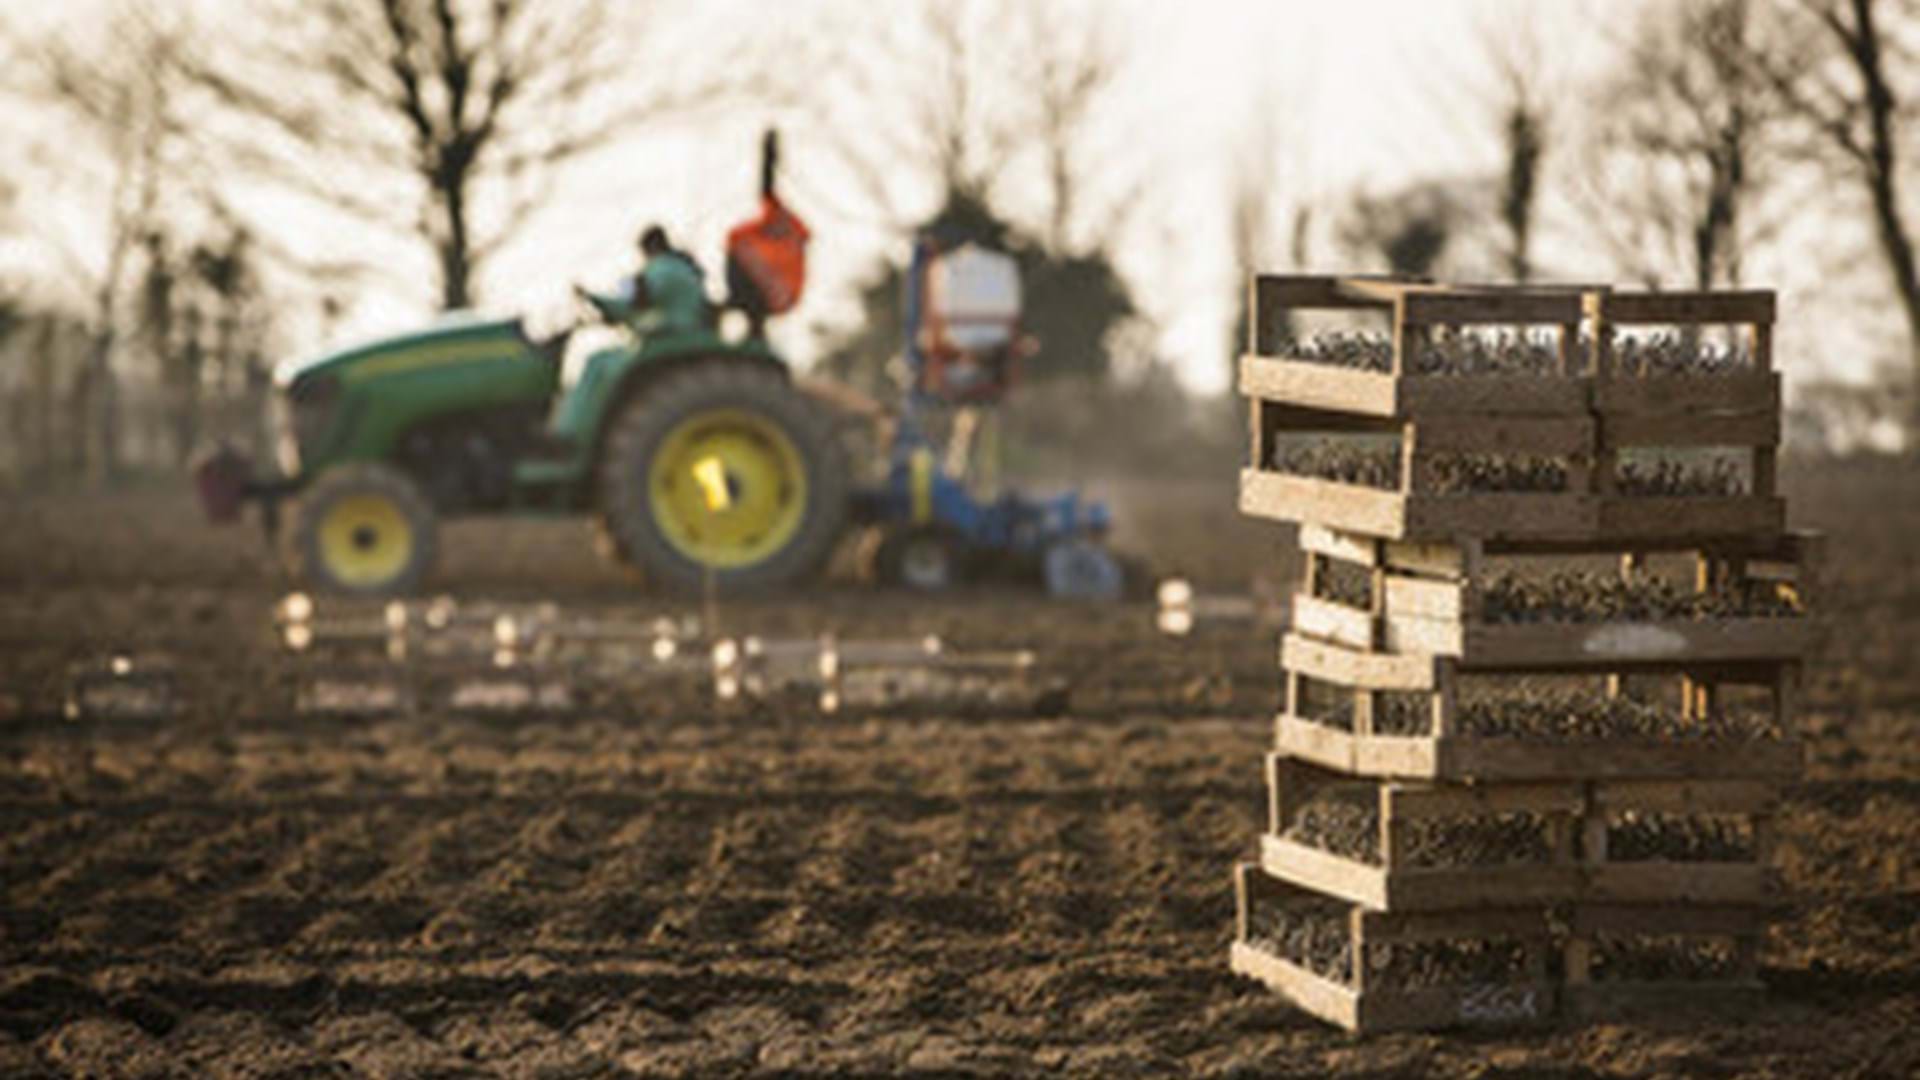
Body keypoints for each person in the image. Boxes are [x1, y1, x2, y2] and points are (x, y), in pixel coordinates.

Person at [584, 225, 708, 335]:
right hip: (699, 328)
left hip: (667, 332)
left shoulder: (651, 272)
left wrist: (591, 297)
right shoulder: (687, 267)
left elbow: (625, 305)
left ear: (650, 248)